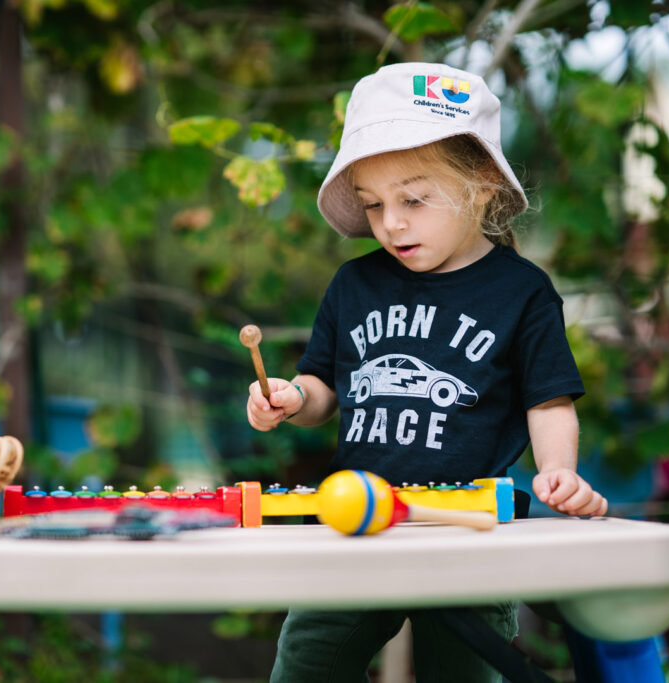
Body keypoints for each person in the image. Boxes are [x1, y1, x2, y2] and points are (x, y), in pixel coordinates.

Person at [245, 62, 609, 682]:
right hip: (355, 524)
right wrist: (287, 396)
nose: (391, 223)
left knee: (466, 674)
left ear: (484, 184)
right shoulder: (354, 283)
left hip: (470, 530)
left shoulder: (523, 292)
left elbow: (548, 401)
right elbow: (325, 388)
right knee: (305, 667)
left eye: (414, 199)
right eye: (373, 204)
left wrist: (559, 474)